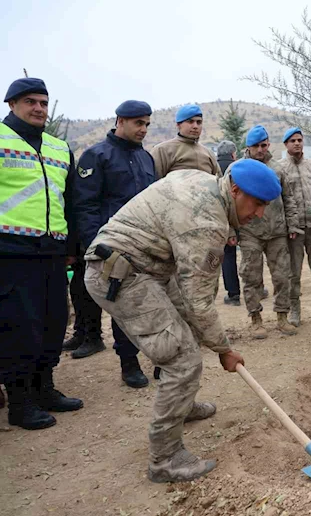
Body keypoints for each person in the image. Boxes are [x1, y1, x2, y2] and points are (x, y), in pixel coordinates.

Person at [84, 160, 277, 482]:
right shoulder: (207, 223)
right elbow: (200, 300)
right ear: (235, 189)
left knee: (186, 335)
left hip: (147, 268)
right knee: (182, 358)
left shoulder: (201, 180)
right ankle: (165, 460)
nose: (259, 214)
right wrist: (224, 350)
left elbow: (192, 301)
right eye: (257, 204)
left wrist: (212, 341)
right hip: (121, 275)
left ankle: (181, 406)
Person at [0, 77, 83, 430]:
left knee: (53, 322)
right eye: (30, 101)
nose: (38, 109)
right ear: (12, 104)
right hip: (10, 251)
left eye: (43, 103)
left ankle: (45, 388)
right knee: (20, 327)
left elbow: (72, 201)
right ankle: (20, 403)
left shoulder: (58, 147)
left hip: (52, 251)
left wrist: (71, 247)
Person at [69, 100, 160, 387]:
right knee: (122, 306)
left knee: (153, 305)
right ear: (120, 121)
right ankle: (129, 363)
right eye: (138, 123)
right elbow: (85, 205)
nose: (143, 129)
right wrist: (95, 247)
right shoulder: (97, 156)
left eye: (147, 123)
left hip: (146, 246)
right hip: (112, 247)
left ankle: (161, 360)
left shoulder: (147, 159)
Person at [238, 125, 299, 338]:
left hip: (277, 231)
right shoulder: (239, 169)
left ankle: (282, 317)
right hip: (249, 232)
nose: (260, 149)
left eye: (264, 145)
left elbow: (288, 198)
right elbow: (228, 202)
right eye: (256, 146)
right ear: (248, 147)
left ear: (269, 144)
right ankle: (256, 319)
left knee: (282, 275)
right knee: (251, 276)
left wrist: (292, 224)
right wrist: (230, 231)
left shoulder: (277, 168)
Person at [275, 128, 311, 326]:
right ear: (285, 144)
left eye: (299, 140)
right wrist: (288, 225)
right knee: (293, 272)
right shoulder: (280, 168)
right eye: (292, 141)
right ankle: (294, 308)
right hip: (294, 230)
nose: (297, 143)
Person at [150, 104, 220, 178]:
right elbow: (153, 183)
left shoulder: (208, 153)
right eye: (190, 122)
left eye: (199, 122)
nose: (195, 126)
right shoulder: (163, 150)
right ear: (178, 125)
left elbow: (219, 182)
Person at [215, 140, 242, 306]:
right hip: (240, 218)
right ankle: (257, 289)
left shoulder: (212, 168)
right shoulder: (237, 168)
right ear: (233, 154)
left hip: (220, 220)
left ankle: (233, 294)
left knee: (228, 257)